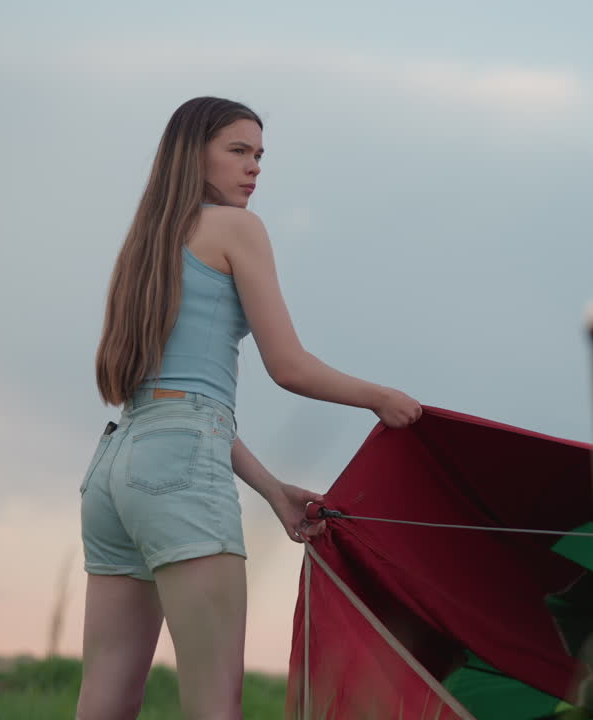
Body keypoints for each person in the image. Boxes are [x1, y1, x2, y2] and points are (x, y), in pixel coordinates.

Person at [76, 96, 422, 720]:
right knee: (215, 705)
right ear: (193, 152)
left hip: (112, 473)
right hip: (180, 469)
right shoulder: (238, 229)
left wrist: (270, 489)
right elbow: (287, 366)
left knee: (103, 701)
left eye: (259, 155)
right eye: (238, 151)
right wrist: (379, 397)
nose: (254, 167)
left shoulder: (143, 247)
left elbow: (177, 402)